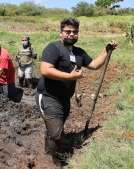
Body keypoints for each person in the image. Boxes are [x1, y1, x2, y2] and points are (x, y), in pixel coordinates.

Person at [35, 17, 118, 168]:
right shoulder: (53, 48)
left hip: (65, 99)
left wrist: (106, 50)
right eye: (68, 31)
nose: (71, 34)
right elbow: (45, 70)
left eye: (75, 31)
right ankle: (58, 162)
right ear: (61, 33)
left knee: (56, 130)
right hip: (48, 96)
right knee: (57, 132)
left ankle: (49, 149)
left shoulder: (79, 52)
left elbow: (94, 65)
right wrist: (71, 76)